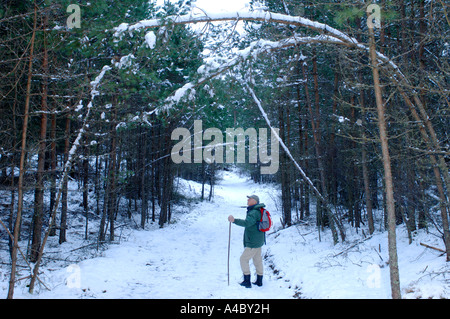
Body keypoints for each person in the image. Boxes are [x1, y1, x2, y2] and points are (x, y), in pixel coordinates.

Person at [228, 195, 265, 288]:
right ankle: (259, 281)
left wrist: (234, 220)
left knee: (243, 259)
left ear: (255, 201)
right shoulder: (258, 210)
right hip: (258, 240)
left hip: (253, 241)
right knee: (257, 260)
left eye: (250, 199)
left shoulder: (253, 212)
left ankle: (247, 281)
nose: (248, 200)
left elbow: (247, 223)